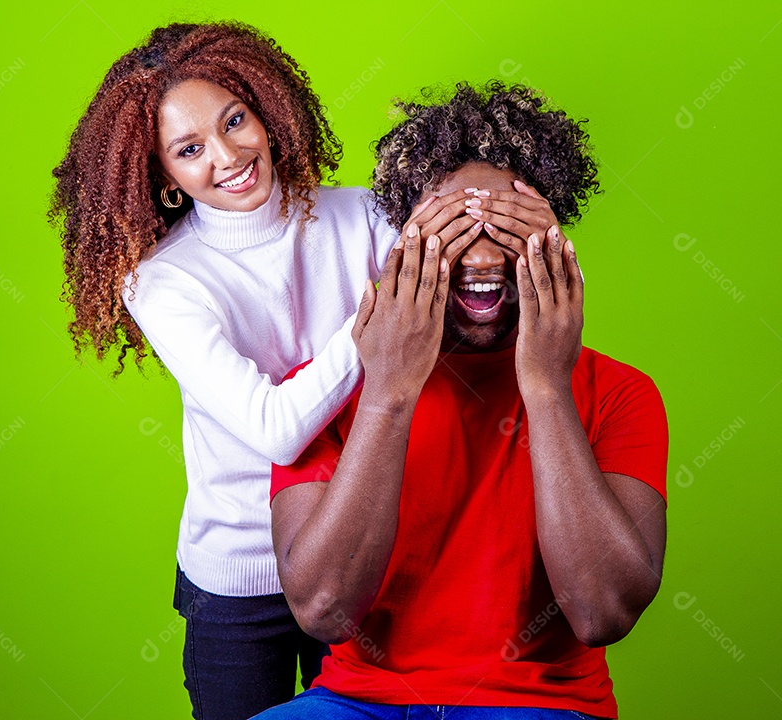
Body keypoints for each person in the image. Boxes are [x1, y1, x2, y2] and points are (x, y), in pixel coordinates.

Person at [47, 22, 478, 719]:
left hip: (363, 552)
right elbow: (276, 430)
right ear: (162, 175)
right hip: (242, 580)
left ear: (266, 109)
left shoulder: (361, 215)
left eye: (235, 120)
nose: (227, 156)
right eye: (189, 150)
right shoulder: (163, 284)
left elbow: (454, 304)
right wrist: (385, 315)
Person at [257, 82, 669, 720]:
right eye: (452, 228)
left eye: (507, 226)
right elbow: (323, 610)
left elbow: (601, 613)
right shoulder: (326, 390)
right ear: (404, 244)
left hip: (542, 707)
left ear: (554, 245)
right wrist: (389, 392)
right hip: (358, 704)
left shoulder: (618, 393)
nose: (479, 254)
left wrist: (546, 385)